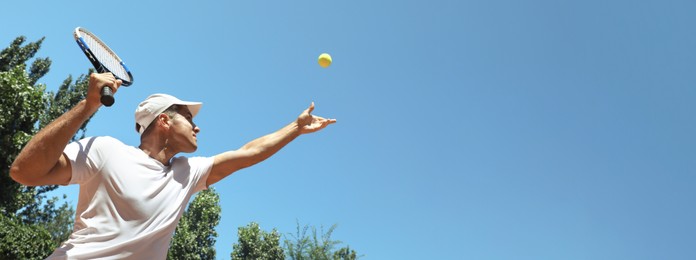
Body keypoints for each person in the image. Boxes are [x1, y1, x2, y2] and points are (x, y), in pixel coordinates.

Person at [9, 72, 336, 259]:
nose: (197, 127)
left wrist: (295, 128)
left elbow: (248, 153)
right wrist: (88, 105)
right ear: (163, 120)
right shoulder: (107, 151)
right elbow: (24, 172)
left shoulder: (186, 173)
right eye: (189, 118)